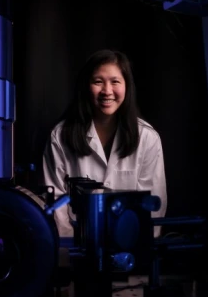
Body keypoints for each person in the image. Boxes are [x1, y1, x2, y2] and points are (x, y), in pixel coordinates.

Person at [42, 49, 167, 238]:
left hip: (130, 245)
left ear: (127, 86)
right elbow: (55, 199)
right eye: (98, 81)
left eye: (115, 81)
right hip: (76, 246)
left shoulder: (148, 138)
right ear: (86, 86)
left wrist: (135, 249)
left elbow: (153, 203)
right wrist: (70, 252)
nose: (107, 91)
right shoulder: (60, 136)